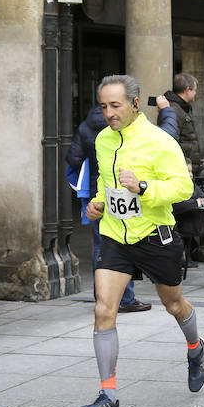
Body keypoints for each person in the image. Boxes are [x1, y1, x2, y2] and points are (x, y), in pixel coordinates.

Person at [76, 74, 204, 407]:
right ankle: (108, 397)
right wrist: (98, 203)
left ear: (135, 105)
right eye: (104, 106)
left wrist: (145, 186)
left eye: (115, 106)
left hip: (155, 236)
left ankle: (195, 348)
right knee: (104, 309)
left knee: (174, 304)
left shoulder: (159, 140)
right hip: (116, 237)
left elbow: (183, 187)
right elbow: (106, 183)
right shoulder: (103, 140)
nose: (109, 113)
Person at [66, 103, 152, 314]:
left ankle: (103, 298)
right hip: (123, 189)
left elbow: (73, 158)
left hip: (98, 191)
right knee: (125, 242)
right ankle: (125, 298)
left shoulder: (86, 126)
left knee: (100, 246)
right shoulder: (125, 125)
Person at [155, 73, 201, 165]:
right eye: (195, 90)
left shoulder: (183, 107)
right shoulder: (175, 109)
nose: (195, 94)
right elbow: (173, 139)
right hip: (181, 164)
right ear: (187, 90)